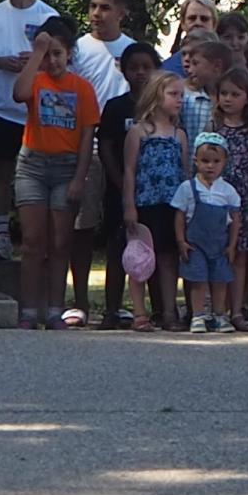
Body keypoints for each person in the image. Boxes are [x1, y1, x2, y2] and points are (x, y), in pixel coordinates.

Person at [11, 15, 99, 329]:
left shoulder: (83, 89)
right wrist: (37, 55)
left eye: (58, 53)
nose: (53, 60)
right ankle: (29, 310)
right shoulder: (36, 79)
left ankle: (54, 308)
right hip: (33, 166)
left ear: (70, 53)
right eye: (48, 54)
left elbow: (88, 136)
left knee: (61, 241)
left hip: (65, 168)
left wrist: (79, 177)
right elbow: (18, 93)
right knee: (33, 240)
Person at [0, 0, 56, 261]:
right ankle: (1, 235)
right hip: (1, 109)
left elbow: (62, 64)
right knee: (1, 173)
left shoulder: (48, 17)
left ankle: (36, 238)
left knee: (40, 178)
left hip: (36, 113)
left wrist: (36, 64)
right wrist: (1, 62)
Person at [68, 0, 138, 317]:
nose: (97, 14)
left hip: (125, 150)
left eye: (105, 7)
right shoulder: (78, 50)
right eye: (93, 6)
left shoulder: (133, 51)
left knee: (119, 230)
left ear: (122, 12)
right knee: (82, 226)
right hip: (86, 148)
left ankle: (118, 304)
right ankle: (79, 301)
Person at [97, 42, 162, 327]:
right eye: (134, 67)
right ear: (123, 71)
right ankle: (112, 309)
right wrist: (120, 180)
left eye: (146, 67)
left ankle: (160, 309)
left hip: (155, 191)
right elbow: (106, 146)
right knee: (117, 248)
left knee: (155, 248)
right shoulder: (115, 106)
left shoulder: (162, 108)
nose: (140, 73)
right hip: (119, 189)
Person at [123, 71, 190, 331]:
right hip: (145, 203)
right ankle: (139, 312)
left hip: (172, 205)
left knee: (168, 258)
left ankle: (169, 311)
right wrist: (129, 204)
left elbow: (184, 171)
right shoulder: (139, 132)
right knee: (140, 257)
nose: (179, 100)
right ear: (156, 96)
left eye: (181, 95)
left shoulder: (179, 135)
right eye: (173, 94)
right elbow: (130, 169)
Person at [212, 64, 248, 330]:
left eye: (235, 94)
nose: (228, 99)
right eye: (224, 93)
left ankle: (237, 311)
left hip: (245, 201)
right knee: (218, 254)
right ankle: (216, 309)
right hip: (216, 203)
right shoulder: (213, 129)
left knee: (242, 256)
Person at [173, 131, 242, 331]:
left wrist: (232, 245)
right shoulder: (188, 188)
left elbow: (235, 219)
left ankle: (220, 315)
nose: (210, 166)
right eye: (205, 161)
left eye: (215, 161)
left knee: (220, 280)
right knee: (198, 280)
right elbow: (179, 216)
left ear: (224, 162)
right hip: (195, 245)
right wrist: (180, 241)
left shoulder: (228, 191)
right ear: (196, 161)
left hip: (220, 245)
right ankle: (198, 314)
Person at [180, 38, 231, 168]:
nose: (189, 70)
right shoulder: (188, 100)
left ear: (217, 66)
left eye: (195, 64)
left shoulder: (232, 103)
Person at [162, 0, 219, 73]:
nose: (198, 22)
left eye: (204, 19)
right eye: (192, 18)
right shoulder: (167, 69)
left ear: (214, 24)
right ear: (183, 23)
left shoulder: (227, 64)